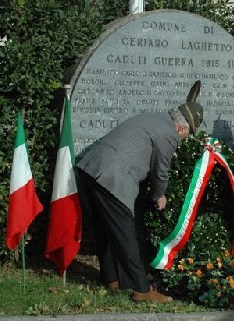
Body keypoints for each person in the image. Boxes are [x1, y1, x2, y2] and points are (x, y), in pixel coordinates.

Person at [76, 81, 203, 303]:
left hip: (91, 169)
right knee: (126, 233)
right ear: (182, 128)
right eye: (189, 134)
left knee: (106, 228)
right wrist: (159, 195)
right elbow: (161, 170)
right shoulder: (169, 135)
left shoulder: (153, 118)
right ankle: (142, 289)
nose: (185, 138)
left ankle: (112, 278)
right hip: (112, 178)